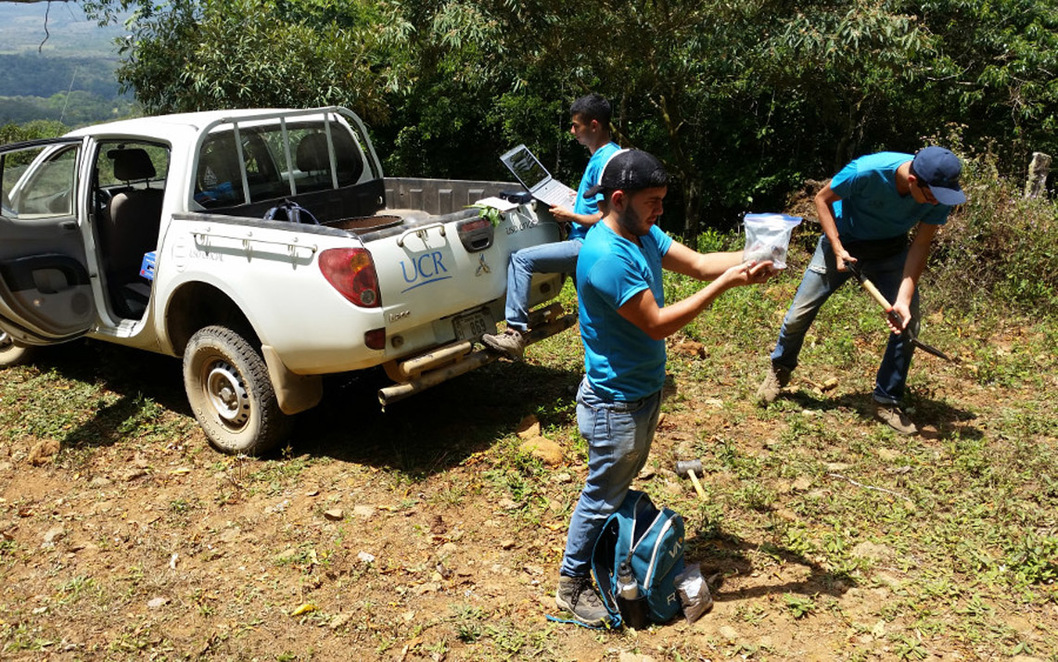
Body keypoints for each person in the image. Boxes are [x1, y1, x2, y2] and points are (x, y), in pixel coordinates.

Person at [555, 149, 775, 626]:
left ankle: (607, 556)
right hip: (616, 403)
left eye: (661, 200)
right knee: (601, 493)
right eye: (653, 200)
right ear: (619, 198)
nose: (660, 210)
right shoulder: (606, 256)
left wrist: (756, 257)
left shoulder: (642, 232)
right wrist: (726, 286)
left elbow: (696, 263)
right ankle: (570, 586)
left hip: (640, 393)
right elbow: (656, 323)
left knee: (613, 489)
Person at [756, 146, 967, 434]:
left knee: (908, 322)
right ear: (914, 181)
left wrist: (903, 299)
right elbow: (822, 199)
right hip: (841, 242)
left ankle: (887, 398)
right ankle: (780, 368)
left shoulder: (938, 193)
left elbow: (920, 245)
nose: (936, 202)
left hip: (891, 250)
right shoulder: (866, 171)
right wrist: (839, 248)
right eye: (932, 196)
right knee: (798, 315)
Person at [482, 93, 621, 360]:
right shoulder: (605, 156)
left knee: (521, 260)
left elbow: (608, 219)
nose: (572, 131)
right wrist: (573, 202)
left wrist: (570, 216)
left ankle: (513, 334)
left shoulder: (605, 162)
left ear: (594, 125)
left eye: (576, 126)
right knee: (594, 318)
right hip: (586, 240)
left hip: (586, 244)